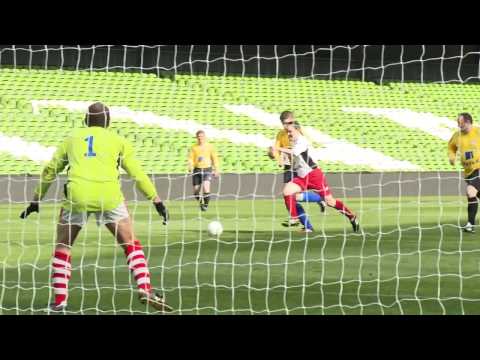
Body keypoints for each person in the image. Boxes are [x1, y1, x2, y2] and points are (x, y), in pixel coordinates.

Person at [20, 102, 172, 312]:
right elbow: (137, 173)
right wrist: (156, 200)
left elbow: (50, 170)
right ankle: (145, 288)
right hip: (108, 195)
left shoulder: (71, 139)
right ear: (108, 122)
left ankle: (59, 301)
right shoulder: (118, 141)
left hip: (77, 196)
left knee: (63, 246)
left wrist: (36, 199)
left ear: (85, 120)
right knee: (130, 243)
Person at [273, 122, 360, 233]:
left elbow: (294, 153)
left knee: (330, 201)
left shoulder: (302, 141)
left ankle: (351, 216)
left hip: (314, 175)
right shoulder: (294, 142)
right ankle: (294, 218)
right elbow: (295, 158)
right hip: (302, 176)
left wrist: (278, 148)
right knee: (287, 191)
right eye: (287, 132)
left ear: (298, 130)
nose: (289, 134)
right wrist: (282, 158)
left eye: (290, 131)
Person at [268, 111, 325, 227]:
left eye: (289, 123)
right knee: (291, 197)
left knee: (293, 195)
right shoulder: (280, 134)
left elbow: (306, 146)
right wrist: (275, 156)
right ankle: (307, 226)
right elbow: (276, 149)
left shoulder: (298, 131)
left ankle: (318, 198)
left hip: (301, 166)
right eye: (284, 123)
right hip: (289, 167)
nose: (286, 126)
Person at [448, 112, 480, 233]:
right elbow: (451, 147)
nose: (458, 125)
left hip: (479, 169)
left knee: (470, 192)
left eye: (460, 123)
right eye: (457, 123)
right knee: (473, 194)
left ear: (467, 122)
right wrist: (452, 157)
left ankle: (470, 224)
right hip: (469, 172)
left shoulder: (477, 132)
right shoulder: (457, 136)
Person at [187, 130, 220, 211]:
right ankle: (201, 202)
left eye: (201, 137)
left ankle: (205, 205)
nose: (200, 138)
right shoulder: (193, 147)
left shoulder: (210, 147)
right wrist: (190, 167)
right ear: (196, 138)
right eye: (198, 137)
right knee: (196, 191)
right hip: (197, 169)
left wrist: (216, 169)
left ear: (205, 137)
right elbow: (190, 158)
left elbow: (215, 158)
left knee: (206, 187)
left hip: (207, 169)